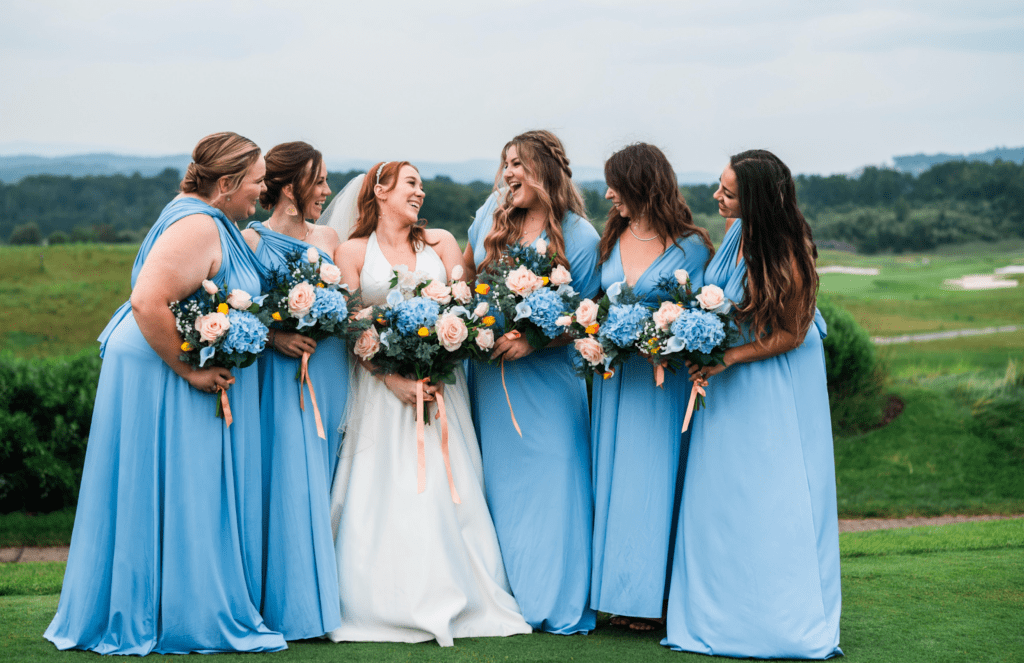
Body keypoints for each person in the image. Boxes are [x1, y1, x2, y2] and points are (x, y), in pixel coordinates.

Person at [44, 132, 287, 655]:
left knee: (177, 485)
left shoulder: (203, 216)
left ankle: (172, 603)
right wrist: (188, 371)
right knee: (182, 485)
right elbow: (147, 300)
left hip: (159, 361)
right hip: (160, 366)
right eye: (257, 181)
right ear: (226, 184)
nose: (263, 191)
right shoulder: (199, 224)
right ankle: (179, 614)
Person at [324, 161, 531, 646]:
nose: (420, 192)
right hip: (380, 391)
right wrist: (392, 378)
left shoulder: (440, 243)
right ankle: (378, 600)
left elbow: (468, 307)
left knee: (447, 485)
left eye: (421, 185)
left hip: (441, 388)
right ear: (380, 190)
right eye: (411, 184)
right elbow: (352, 324)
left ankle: (458, 591)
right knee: (383, 488)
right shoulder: (352, 250)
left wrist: (441, 357)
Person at [662, 149, 842, 658]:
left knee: (771, 493)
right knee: (724, 492)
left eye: (729, 192)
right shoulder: (736, 231)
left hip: (774, 380)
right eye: (720, 187)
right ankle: (719, 614)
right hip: (731, 378)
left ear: (756, 200)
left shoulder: (789, 251)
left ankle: (777, 620)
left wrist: (729, 356)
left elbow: (792, 333)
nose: (717, 197)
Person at [463, 130, 600, 634]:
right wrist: (467, 320)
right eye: (505, 163)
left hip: (549, 382)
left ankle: (555, 599)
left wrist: (535, 340)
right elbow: (465, 273)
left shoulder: (580, 236)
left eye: (517, 163)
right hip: (491, 377)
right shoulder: (491, 216)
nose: (508, 173)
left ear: (544, 169)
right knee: (500, 485)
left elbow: (588, 316)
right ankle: (505, 599)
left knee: (555, 481)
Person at [589, 143, 713, 631]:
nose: (608, 195)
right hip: (616, 380)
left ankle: (654, 599)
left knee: (653, 483)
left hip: (664, 384)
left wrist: (664, 338)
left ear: (640, 183)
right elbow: (592, 305)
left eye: (615, 185)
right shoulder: (610, 239)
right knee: (616, 482)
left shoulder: (691, 247)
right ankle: (618, 593)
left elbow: (700, 313)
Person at [241, 141, 346, 640]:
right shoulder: (252, 239)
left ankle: (331, 595)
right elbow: (239, 309)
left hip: (328, 370)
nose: (326, 190)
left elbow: (346, 301)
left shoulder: (329, 237)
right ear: (288, 187)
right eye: (318, 181)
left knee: (326, 480)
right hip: (280, 377)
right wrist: (275, 337)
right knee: (287, 481)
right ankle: (293, 608)